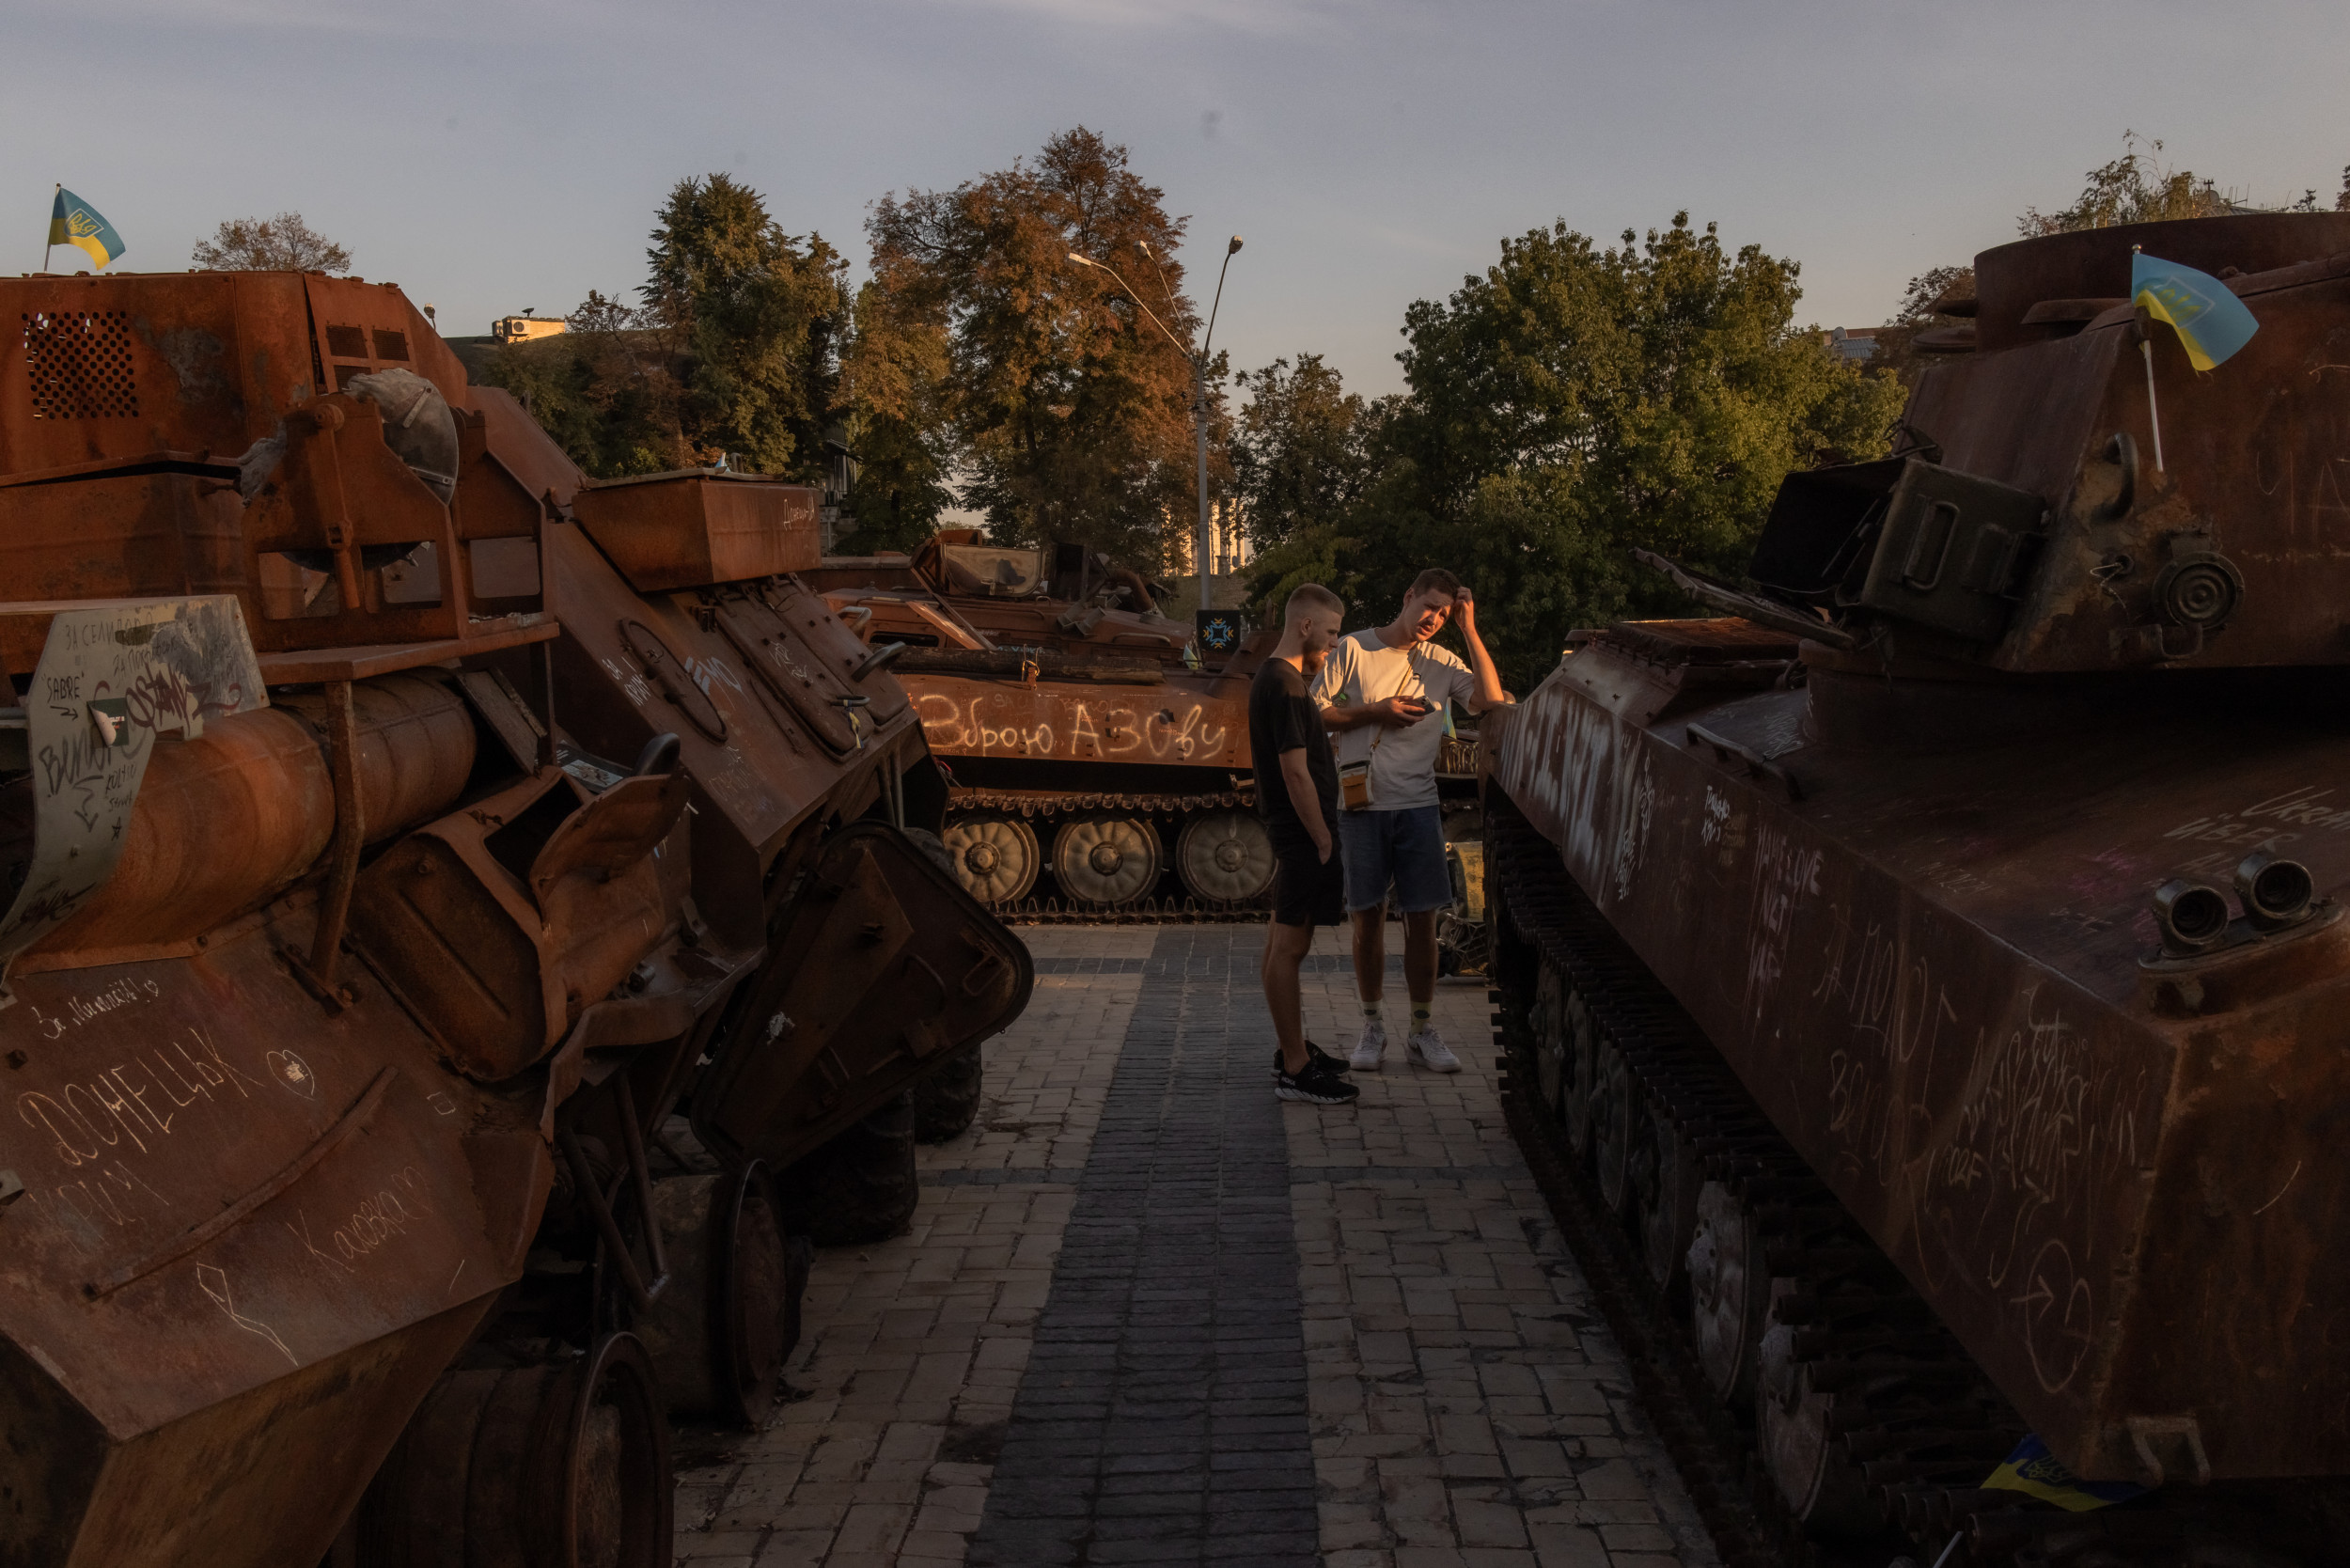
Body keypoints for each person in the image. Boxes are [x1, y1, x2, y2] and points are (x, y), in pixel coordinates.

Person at [1312, 568, 1506, 1071]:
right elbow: (1313, 712)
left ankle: (1422, 1029)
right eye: (1430, 606)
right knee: (1367, 920)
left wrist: (1469, 628)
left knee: (1424, 922)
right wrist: (1375, 711)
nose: (1433, 618)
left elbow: (1492, 702)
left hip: (1418, 805)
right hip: (1361, 806)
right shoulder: (1354, 649)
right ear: (1408, 596)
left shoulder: (1443, 659)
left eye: (1445, 612)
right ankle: (1372, 1027)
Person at [1250, 583, 1358, 1105]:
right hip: (1301, 833)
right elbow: (1296, 772)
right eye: (1333, 632)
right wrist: (1322, 840)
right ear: (1306, 626)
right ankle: (1295, 1068)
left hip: (1291, 830)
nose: (1335, 644)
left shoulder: (1274, 677)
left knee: (1280, 943)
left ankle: (1292, 1048)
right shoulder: (1289, 686)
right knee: (1291, 949)